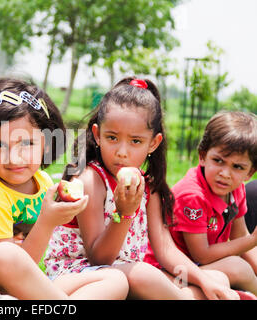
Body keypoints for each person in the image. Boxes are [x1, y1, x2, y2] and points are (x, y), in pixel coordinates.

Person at [0, 77, 129, 300]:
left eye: (26, 144)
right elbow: (12, 267)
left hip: (20, 278)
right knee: (6, 255)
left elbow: (26, 271)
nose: (14, 157)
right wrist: (47, 221)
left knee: (114, 280)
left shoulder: (43, 182)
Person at [44, 77, 239, 300]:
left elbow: (165, 249)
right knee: (143, 275)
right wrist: (125, 212)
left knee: (217, 278)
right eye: (112, 138)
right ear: (98, 135)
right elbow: (99, 259)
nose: (122, 152)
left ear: (153, 143)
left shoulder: (148, 185)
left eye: (135, 141)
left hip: (126, 272)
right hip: (83, 277)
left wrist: (205, 280)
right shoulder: (91, 180)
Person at [146, 111, 257, 295]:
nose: (225, 173)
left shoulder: (236, 189)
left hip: (201, 267)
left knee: (239, 269)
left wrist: (250, 242)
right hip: (170, 272)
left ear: (249, 173)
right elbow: (202, 254)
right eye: (218, 161)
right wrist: (252, 241)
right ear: (203, 156)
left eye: (237, 167)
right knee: (237, 268)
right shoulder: (192, 196)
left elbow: (240, 236)